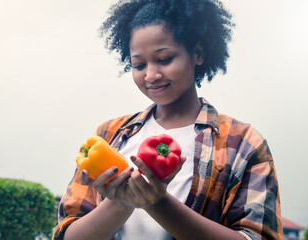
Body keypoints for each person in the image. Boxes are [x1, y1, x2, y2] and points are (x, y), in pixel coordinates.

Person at [53, 0, 282, 239]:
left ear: (198, 54)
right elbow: (66, 235)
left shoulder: (243, 143)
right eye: (139, 64)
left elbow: (258, 236)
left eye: (164, 59)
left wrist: (159, 203)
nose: (151, 75)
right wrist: (120, 203)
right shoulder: (108, 135)